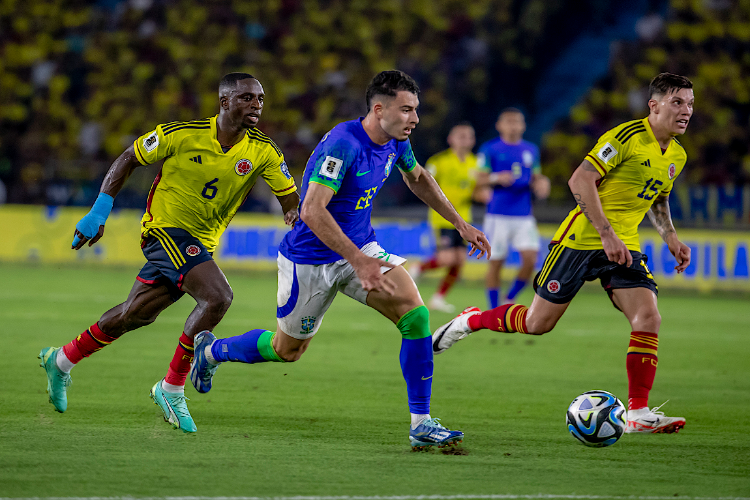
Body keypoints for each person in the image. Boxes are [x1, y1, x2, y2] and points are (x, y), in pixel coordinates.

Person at [189, 70, 491, 449]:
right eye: (407, 110)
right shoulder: (344, 144)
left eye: (416, 110)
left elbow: (417, 178)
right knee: (288, 351)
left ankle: (422, 424)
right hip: (310, 258)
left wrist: (460, 223)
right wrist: (358, 262)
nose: (414, 118)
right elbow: (313, 210)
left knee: (416, 316)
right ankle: (214, 351)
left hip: (360, 248)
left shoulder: (396, 140)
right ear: (379, 109)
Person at [433, 73, 694, 434]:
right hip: (582, 239)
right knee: (538, 323)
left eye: (691, 104)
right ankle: (471, 320)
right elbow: (579, 180)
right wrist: (606, 234)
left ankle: (637, 412)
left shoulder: (677, 154)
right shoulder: (625, 137)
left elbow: (658, 196)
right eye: (678, 102)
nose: (686, 111)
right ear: (655, 105)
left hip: (625, 246)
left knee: (649, 317)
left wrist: (670, 236)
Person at [38, 73, 299, 433]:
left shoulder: (264, 150)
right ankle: (173, 386)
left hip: (201, 243)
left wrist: (294, 213)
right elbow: (130, 156)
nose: (256, 106)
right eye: (246, 98)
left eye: (260, 99)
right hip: (163, 231)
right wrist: (99, 210)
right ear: (224, 102)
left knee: (136, 314)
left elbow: (289, 198)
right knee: (218, 297)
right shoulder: (182, 132)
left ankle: (62, 359)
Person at [408, 122, 487, 313]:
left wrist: (486, 194)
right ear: (450, 139)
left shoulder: (477, 164)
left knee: (459, 261)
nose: (464, 139)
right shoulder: (438, 162)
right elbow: (423, 186)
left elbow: (478, 193)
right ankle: (418, 269)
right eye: (460, 135)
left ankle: (438, 298)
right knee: (447, 259)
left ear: (473, 140)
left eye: (468, 136)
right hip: (441, 218)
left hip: (464, 220)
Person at [477, 108, 550, 309]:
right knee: (496, 263)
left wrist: (542, 183)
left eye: (517, 122)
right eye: (508, 122)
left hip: (524, 215)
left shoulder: (530, 150)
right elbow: (479, 177)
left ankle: (509, 297)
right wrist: (496, 178)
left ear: (523, 126)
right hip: (497, 215)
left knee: (530, 259)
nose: (513, 126)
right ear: (499, 125)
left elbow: (536, 176)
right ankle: (493, 308)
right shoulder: (489, 148)